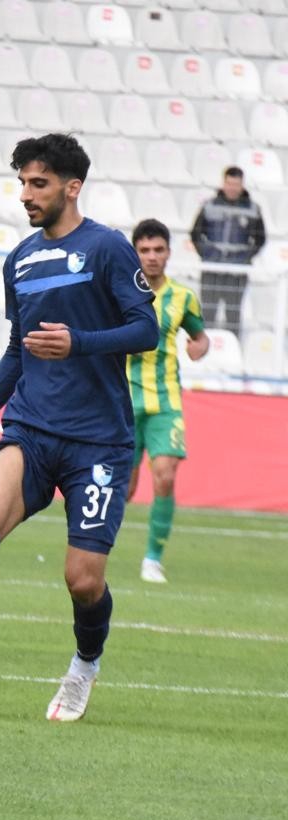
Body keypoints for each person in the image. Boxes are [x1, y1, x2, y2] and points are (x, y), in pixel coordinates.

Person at [0, 133, 159, 721]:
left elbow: (144, 330)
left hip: (99, 441)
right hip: (31, 429)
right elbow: (17, 352)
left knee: (82, 580)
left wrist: (78, 343)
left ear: (72, 187)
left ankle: (83, 667)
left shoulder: (108, 249)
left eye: (37, 183)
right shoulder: (18, 260)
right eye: (21, 182)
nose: (25, 194)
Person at [127, 219, 209, 584]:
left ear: (169, 253)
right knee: (124, 489)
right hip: (123, 403)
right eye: (144, 250)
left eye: (158, 249)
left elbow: (200, 336)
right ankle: (97, 545)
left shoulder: (182, 297)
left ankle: (152, 559)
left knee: (164, 476)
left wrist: (198, 348)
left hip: (166, 403)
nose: (152, 256)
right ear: (135, 253)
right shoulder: (119, 293)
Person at [190, 166, 265, 338]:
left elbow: (260, 239)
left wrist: (245, 258)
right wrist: (207, 254)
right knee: (208, 313)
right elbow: (195, 233)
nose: (232, 188)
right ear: (224, 183)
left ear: (242, 185)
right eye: (229, 183)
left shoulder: (253, 209)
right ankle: (205, 353)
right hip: (212, 269)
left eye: (236, 184)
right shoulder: (209, 206)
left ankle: (233, 353)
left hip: (237, 272)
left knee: (233, 315)